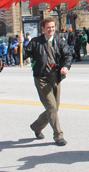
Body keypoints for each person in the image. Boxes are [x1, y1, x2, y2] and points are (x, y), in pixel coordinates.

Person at [22, 17, 72, 146]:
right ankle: (58, 136)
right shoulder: (35, 42)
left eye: (52, 27)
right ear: (43, 29)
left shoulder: (59, 42)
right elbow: (24, 55)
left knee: (55, 108)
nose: (51, 29)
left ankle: (36, 126)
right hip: (41, 78)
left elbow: (68, 55)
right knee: (51, 107)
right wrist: (20, 45)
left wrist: (65, 67)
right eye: (48, 27)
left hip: (55, 78)